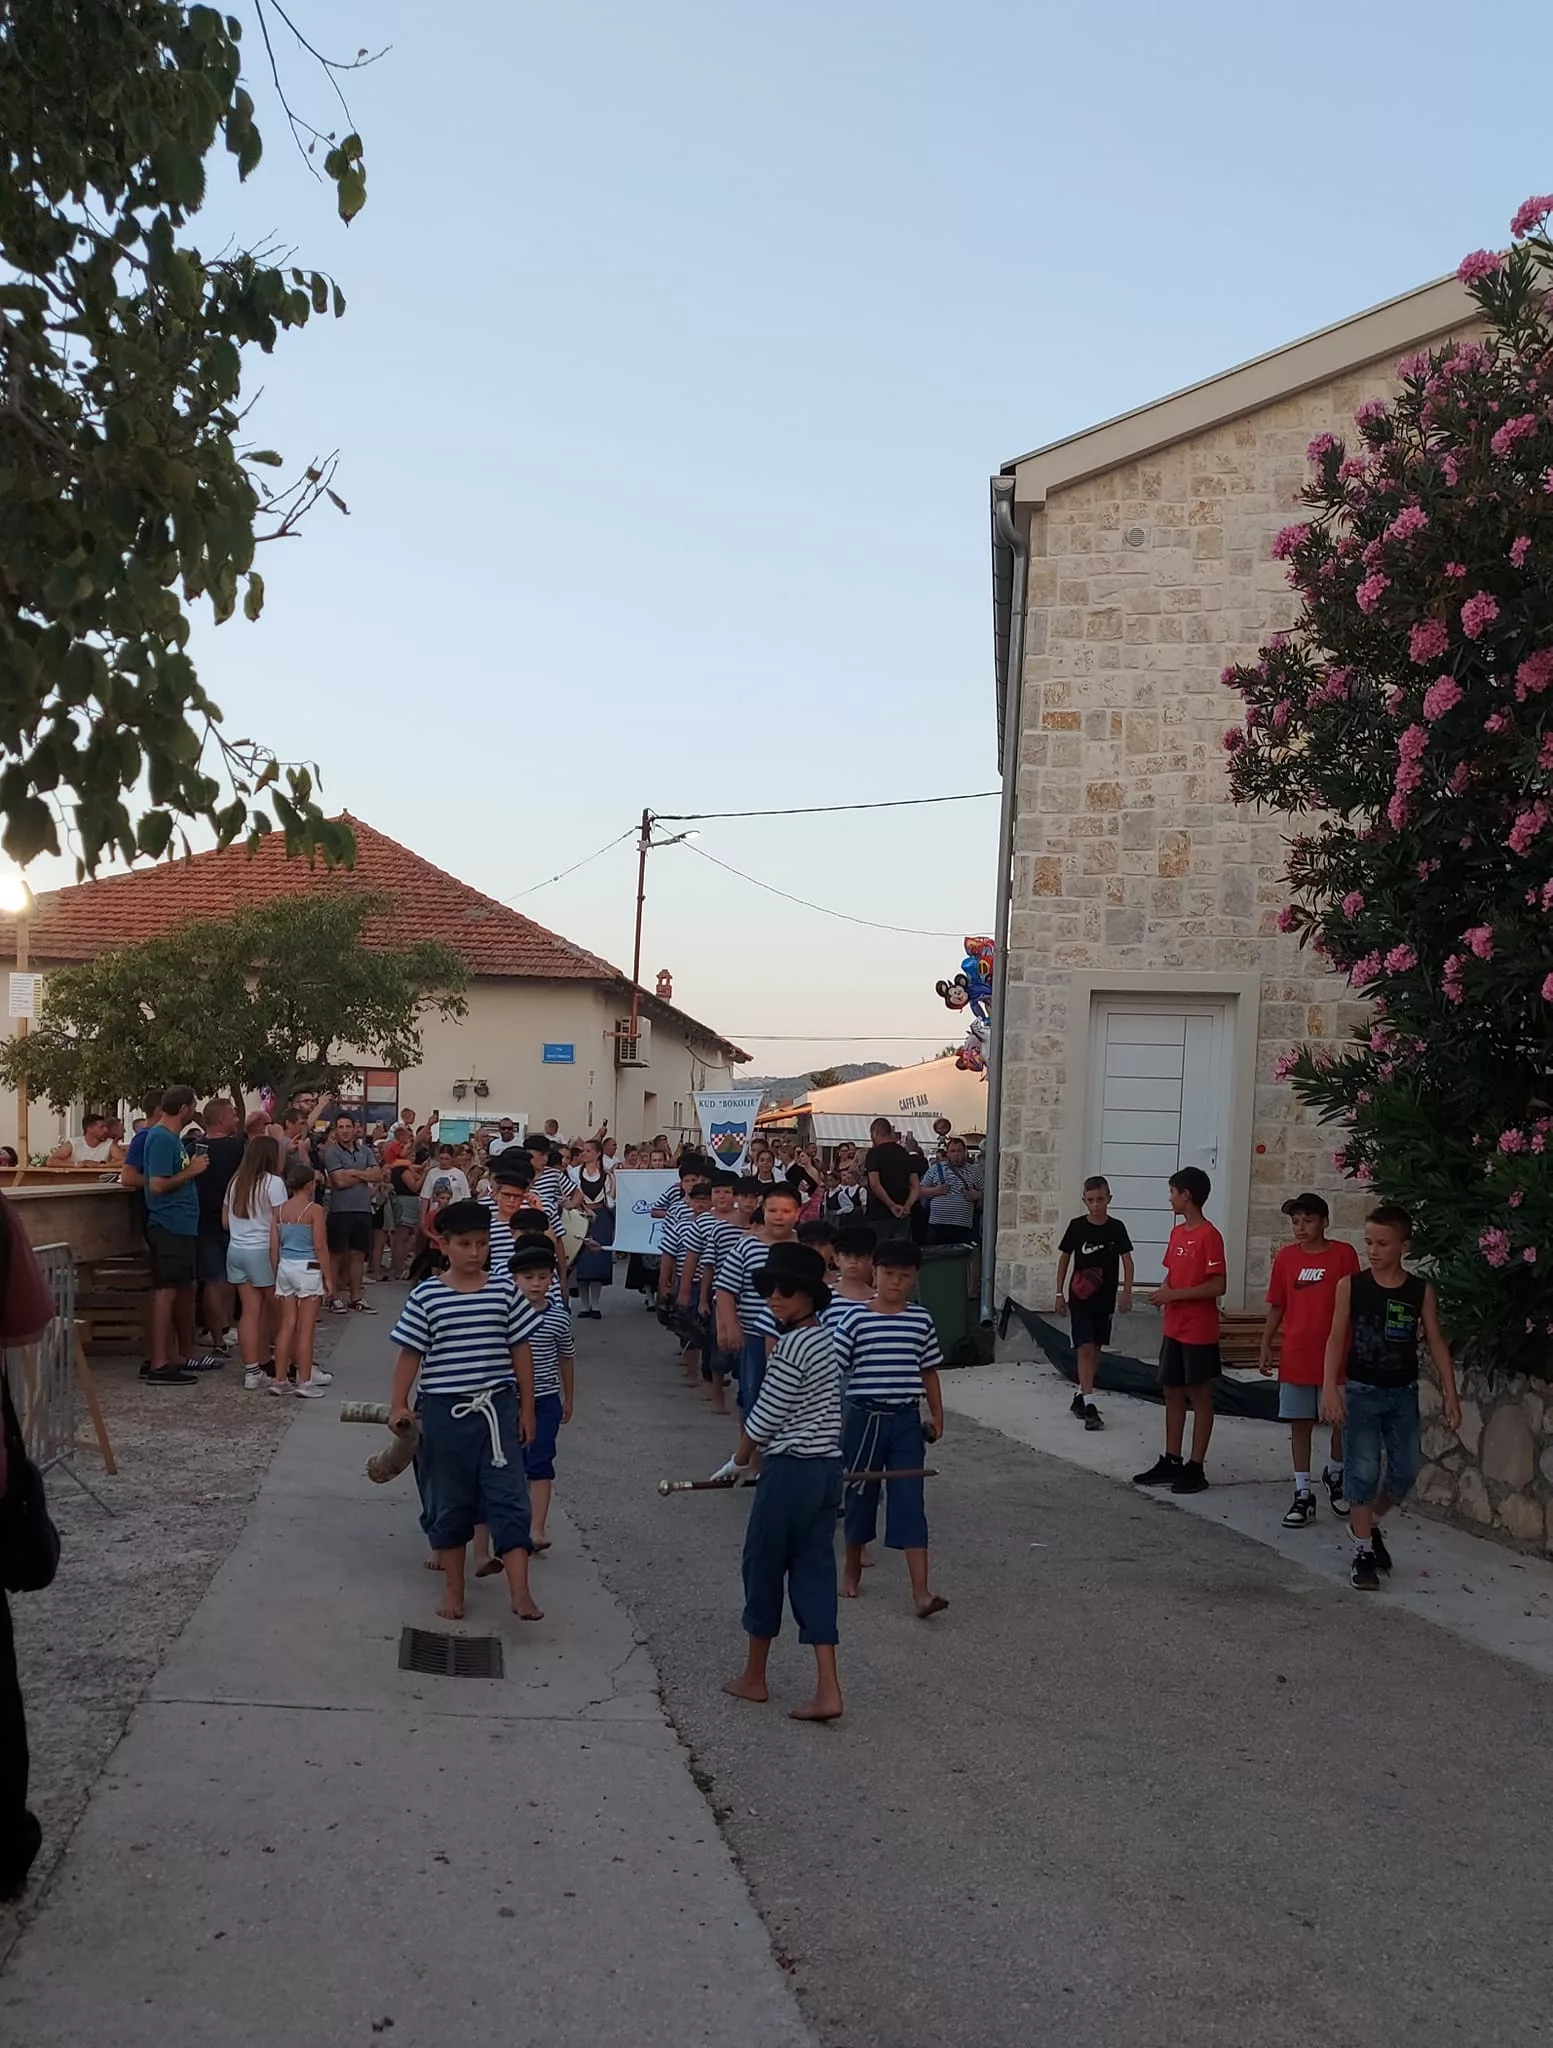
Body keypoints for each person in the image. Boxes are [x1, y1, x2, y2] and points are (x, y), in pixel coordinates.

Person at [389, 1201, 542, 1622]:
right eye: (465, 1244)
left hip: (497, 1409)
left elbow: (521, 1349)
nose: (475, 1252)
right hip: (444, 1412)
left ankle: (520, 1592)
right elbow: (410, 1354)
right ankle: (454, 1590)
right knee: (449, 1499)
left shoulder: (504, 1291)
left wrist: (527, 1408)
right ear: (444, 1245)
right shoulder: (427, 1295)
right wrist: (399, 1403)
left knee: (509, 1495)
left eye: (482, 1244)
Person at [714, 1243, 845, 1723]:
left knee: (763, 1566)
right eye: (770, 1288)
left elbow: (766, 1414)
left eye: (786, 1289)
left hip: (790, 1471)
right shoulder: (824, 1340)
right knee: (815, 1572)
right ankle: (828, 1689)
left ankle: (755, 1677)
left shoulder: (792, 1346)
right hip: (825, 1471)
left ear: (809, 1296)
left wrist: (739, 1460)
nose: (774, 1296)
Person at [1322, 1204, 1461, 1591]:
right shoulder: (1351, 1286)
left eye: (1383, 1243)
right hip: (1362, 1392)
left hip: (1402, 1393)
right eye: (1369, 1242)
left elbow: (1436, 1340)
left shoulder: (1419, 1291)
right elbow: (1336, 1337)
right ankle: (1363, 1552)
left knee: (1405, 1470)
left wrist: (1450, 1393)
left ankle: (1368, 1524)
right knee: (1362, 1471)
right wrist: (1330, 1386)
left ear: (1404, 1246)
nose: (1373, 1250)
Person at [829, 1238, 947, 1617]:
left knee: (910, 1498)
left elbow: (928, 1369)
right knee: (860, 1495)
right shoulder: (855, 1318)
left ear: (914, 1278)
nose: (895, 1282)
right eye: (888, 1273)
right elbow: (833, 1370)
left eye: (904, 1276)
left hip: (905, 1421)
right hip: (863, 1419)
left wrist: (937, 1415)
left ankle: (922, 1593)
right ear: (874, 1273)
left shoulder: (920, 1319)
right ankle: (852, 1568)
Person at [1260, 1193, 1360, 1526]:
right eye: (1295, 1221)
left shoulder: (1344, 1255)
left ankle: (1335, 1473)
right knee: (1300, 1423)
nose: (1301, 1227)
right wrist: (1265, 1343)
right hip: (1296, 1355)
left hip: (1338, 1356)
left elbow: (1356, 1304)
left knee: (1340, 1421)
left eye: (1308, 1220)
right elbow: (1278, 1303)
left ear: (1324, 1222)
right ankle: (1303, 1492)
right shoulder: (1286, 1258)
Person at [1133, 1167, 1226, 1495]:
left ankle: (1196, 1466)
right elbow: (1172, 1274)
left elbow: (1218, 1285)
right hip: (1174, 1327)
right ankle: (1172, 1460)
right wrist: (1163, 1292)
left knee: (1199, 1394)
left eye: (1173, 1192)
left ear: (1187, 1195)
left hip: (1199, 1331)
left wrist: (1175, 1295)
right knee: (1171, 1391)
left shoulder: (1209, 1235)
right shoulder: (1177, 1233)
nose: (1170, 1198)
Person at [141, 1085, 212, 1386]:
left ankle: (174, 1356)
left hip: (181, 1225)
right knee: (165, 1292)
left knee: (179, 1289)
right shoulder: (161, 1138)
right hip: (168, 1224)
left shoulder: (171, 1139)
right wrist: (191, 1171)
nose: (194, 1112)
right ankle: (158, 1363)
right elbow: (157, 1185)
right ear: (183, 1108)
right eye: (193, 1106)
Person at [507, 1239, 575, 1556]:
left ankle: (537, 1528)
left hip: (546, 1400)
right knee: (508, 1462)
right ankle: (508, 1523)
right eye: (528, 1277)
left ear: (552, 1279)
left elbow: (566, 1358)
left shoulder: (559, 1318)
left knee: (540, 1461)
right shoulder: (504, 1315)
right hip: (508, 1400)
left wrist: (568, 1397)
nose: (536, 1284)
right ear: (514, 1280)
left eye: (543, 1277)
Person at [716, 1181, 802, 1422]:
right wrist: (730, 1325)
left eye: (786, 1211)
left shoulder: (804, 1247)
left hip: (795, 1337)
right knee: (752, 1393)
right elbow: (725, 1289)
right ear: (763, 1211)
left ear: (797, 1213)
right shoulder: (747, 1245)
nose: (779, 1217)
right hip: (753, 1335)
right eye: (772, 1210)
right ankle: (750, 1443)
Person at [1055, 1176, 1135, 1431]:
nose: (1096, 1205)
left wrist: (1127, 1292)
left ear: (1109, 1199)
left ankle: (1081, 1394)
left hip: (1105, 1297)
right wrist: (1059, 1293)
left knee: (1097, 1348)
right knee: (1085, 1347)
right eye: (1091, 1200)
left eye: (1100, 1199)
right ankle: (1090, 1405)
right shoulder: (1077, 1227)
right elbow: (1065, 1259)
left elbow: (1127, 1261)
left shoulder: (1116, 1228)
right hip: (1080, 1297)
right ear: (1084, 1201)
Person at [223, 1134, 285, 1390]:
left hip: (236, 1249)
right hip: (262, 1250)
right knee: (283, 1312)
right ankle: (291, 1365)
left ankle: (252, 1371)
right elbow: (279, 1224)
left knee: (250, 1311)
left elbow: (225, 1221)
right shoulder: (274, 1183)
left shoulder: (236, 1181)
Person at [269, 1155, 334, 1397]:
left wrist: (277, 1269)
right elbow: (320, 1245)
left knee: (287, 1325)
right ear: (309, 1185)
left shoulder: (279, 1210)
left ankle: (280, 1379)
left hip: (285, 1266)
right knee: (306, 1328)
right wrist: (328, 1277)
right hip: (309, 1267)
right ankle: (304, 1381)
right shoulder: (314, 1210)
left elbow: (273, 1246)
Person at [194, 1097, 245, 1357]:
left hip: (202, 1220)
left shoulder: (193, 1148)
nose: (236, 1119)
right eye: (233, 1115)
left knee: (213, 1280)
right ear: (222, 1120)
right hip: (234, 1219)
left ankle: (217, 1335)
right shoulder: (238, 1148)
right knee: (230, 1278)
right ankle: (226, 1328)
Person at [323, 1113, 382, 1313]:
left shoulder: (365, 1150)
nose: (345, 1131)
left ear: (355, 1128)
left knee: (358, 1254)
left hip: (362, 1209)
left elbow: (378, 1174)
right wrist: (365, 1175)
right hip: (340, 1210)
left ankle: (356, 1297)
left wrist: (353, 1173)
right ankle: (333, 1297)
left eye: (348, 1126)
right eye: (341, 1127)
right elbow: (339, 1181)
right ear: (336, 1130)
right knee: (336, 1255)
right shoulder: (332, 1152)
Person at [570, 1137, 615, 1318]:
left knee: (597, 1261)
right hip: (581, 1216)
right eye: (583, 1150)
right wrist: (583, 1208)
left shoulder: (607, 1175)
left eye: (588, 1151)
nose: (584, 1154)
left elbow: (609, 1200)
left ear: (597, 1154)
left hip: (600, 1217)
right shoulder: (574, 1172)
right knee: (582, 1260)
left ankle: (595, 1305)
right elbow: (574, 1193)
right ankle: (584, 1305)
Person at [918, 1136, 984, 1247]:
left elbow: (988, 1193)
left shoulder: (974, 1172)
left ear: (965, 1152)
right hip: (937, 1226)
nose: (956, 1154)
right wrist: (935, 1191)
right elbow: (920, 1190)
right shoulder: (935, 1169)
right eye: (953, 1151)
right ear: (947, 1153)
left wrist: (977, 1195)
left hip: (962, 1228)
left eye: (959, 1151)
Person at [863, 1116, 919, 1241]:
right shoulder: (905, 1153)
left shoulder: (874, 1153)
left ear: (874, 1133)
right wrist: (907, 1206)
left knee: (880, 1250)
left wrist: (892, 1205)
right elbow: (915, 1186)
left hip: (879, 1215)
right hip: (903, 1215)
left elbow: (875, 1184)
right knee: (899, 1250)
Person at [47, 1112, 122, 1168]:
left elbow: (123, 1161)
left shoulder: (109, 1143)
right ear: (90, 1128)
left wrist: (99, 1165)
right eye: (102, 1127)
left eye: (106, 1127)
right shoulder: (74, 1143)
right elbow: (51, 1161)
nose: (106, 1130)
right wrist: (76, 1164)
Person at [829, 1223, 877, 1307]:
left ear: (869, 1260)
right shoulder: (824, 1296)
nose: (853, 1261)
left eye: (859, 1256)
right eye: (847, 1255)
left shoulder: (880, 1299)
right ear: (836, 1259)